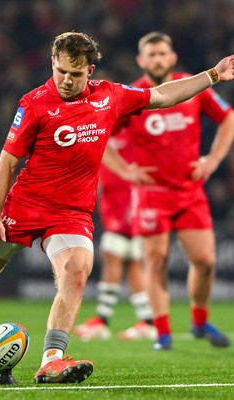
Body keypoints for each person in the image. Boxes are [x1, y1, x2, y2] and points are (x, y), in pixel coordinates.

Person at [0, 31, 234, 384]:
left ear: (90, 71)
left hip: (71, 214)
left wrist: (212, 75)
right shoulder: (34, 104)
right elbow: (6, 164)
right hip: (26, 205)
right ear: (53, 63)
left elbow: (163, 95)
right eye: (60, 70)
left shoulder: (110, 97)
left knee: (78, 269)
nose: (65, 80)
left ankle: (52, 359)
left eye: (75, 74)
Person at [117, 32, 234, 351]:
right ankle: (163, 333)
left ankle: (199, 322)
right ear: (141, 61)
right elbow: (100, 134)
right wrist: (124, 170)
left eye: (162, 54)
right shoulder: (132, 95)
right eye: (151, 55)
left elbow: (230, 120)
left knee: (206, 261)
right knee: (155, 261)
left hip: (189, 190)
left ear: (172, 58)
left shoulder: (194, 87)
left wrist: (212, 161)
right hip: (151, 193)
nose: (157, 59)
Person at [74, 127, 156, 341]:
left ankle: (105, 319)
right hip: (115, 201)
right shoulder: (108, 130)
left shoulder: (133, 131)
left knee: (118, 256)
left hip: (131, 201)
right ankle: (146, 321)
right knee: (129, 261)